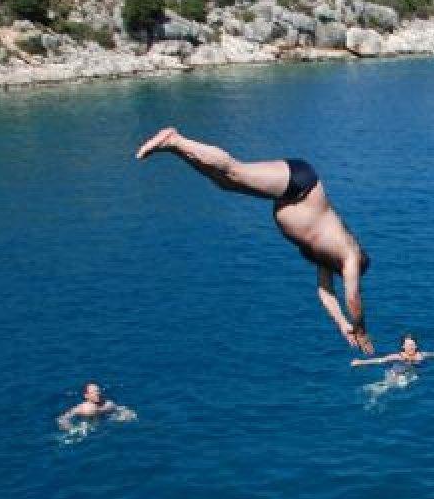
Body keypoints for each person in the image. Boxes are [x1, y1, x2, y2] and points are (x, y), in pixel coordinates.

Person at [135, 127, 374, 354]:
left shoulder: (329, 259)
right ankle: (175, 139)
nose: (346, 276)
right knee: (235, 171)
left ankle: (174, 147)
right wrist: (361, 329)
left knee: (225, 182)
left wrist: (342, 323)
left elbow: (325, 293)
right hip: (301, 184)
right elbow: (352, 297)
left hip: (291, 194)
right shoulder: (350, 255)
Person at [57, 382, 133, 430]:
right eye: (94, 392)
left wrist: (127, 414)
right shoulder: (81, 408)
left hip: (104, 423)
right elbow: (62, 418)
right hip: (85, 426)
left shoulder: (108, 404)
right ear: (86, 396)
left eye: (98, 391)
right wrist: (71, 428)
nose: (97, 394)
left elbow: (120, 408)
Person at [350, 333, 434, 368]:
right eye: (408, 345)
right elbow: (381, 360)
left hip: (410, 371)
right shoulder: (398, 356)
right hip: (397, 370)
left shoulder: (421, 355)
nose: (410, 347)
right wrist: (361, 362)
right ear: (403, 347)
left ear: (416, 346)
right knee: (394, 382)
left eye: (412, 345)